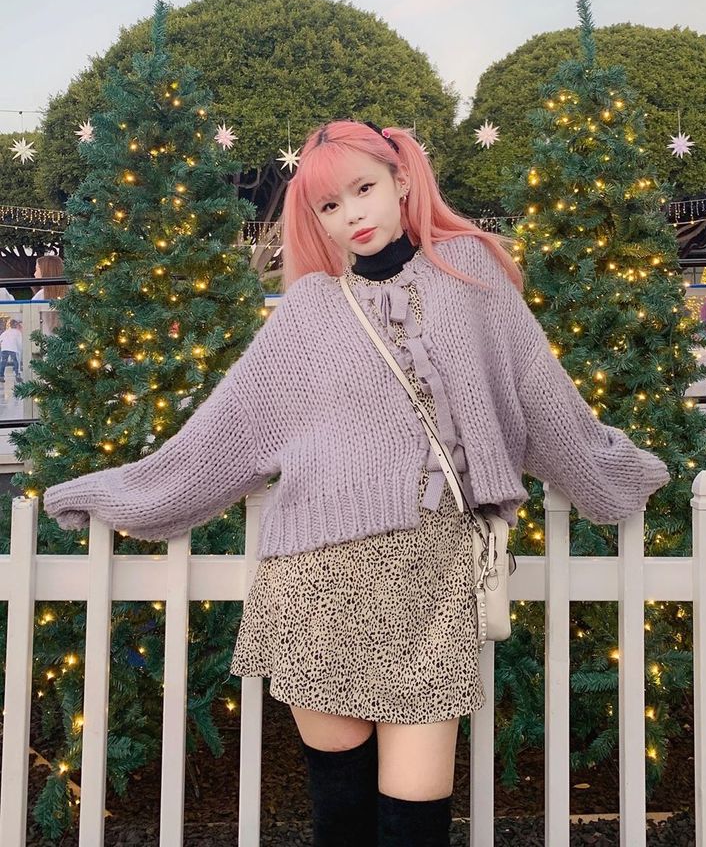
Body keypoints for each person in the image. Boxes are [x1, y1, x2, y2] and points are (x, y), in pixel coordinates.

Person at [42, 120, 671, 847]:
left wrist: (614, 472)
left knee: (416, 804)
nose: (352, 216)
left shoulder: (470, 272)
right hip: (316, 579)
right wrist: (113, 494)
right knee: (339, 809)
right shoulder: (307, 313)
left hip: (431, 573)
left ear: (404, 180)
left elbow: (540, 394)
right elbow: (225, 436)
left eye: (363, 189)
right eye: (330, 207)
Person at [32, 254, 69, 339]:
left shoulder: (41, 295)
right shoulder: (72, 294)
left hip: (45, 344)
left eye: (36, 269)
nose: (34, 274)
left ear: (44, 271)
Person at [0, 318, 23, 384]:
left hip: (4, 348)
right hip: (13, 348)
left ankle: (1, 376)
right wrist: (20, 350)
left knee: (3, 362)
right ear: (16, 325)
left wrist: (2, 347)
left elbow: (0, 339)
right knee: (16, 362)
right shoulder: (18, 332)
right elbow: (19, 342)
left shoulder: (5, 332)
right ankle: (17, 375)